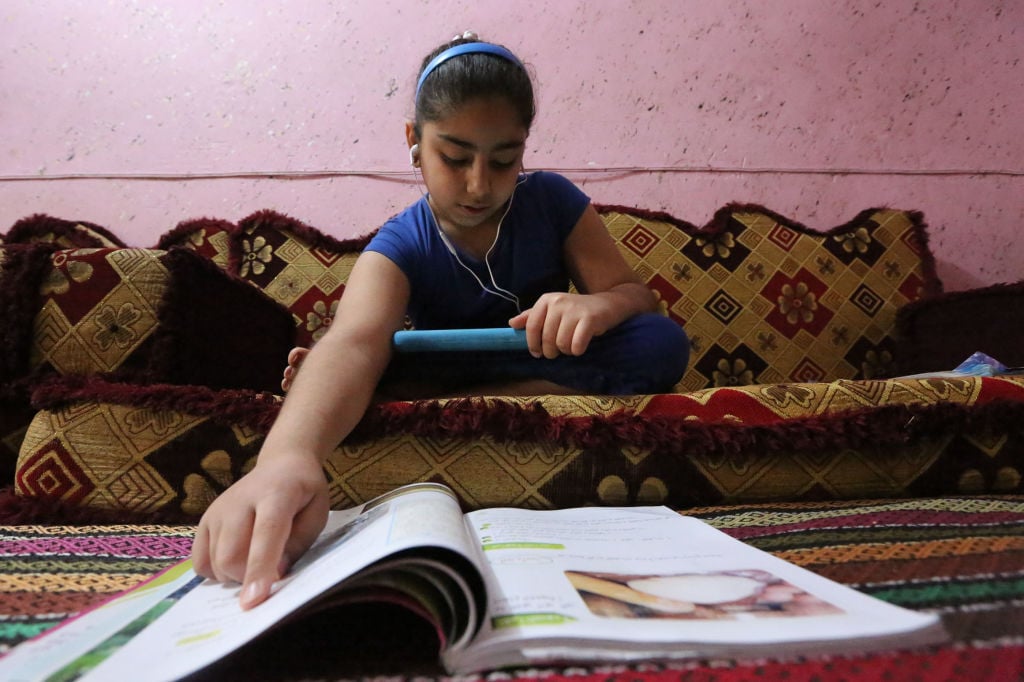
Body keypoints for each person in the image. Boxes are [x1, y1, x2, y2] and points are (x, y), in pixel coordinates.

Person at [191, 32, 690, 609]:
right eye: (454, 157)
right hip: (439, 364)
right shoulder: (401, 242)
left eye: (503, 159)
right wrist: (286, 458)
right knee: (353, 363)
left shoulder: (553, 201)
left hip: (534, 360)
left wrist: (597, 306)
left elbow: (635, 296)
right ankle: (390, 391)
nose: (480, 184)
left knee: (659, 341)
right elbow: (354, 339)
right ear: (413, 142)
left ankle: (420, 399)